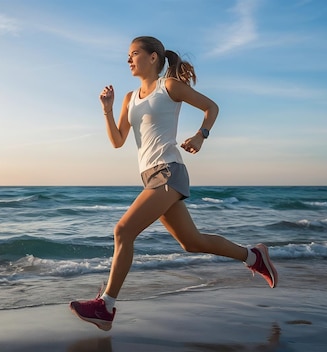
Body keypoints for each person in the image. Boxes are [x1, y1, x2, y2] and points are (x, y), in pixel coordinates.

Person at [69, 36, 278, 331]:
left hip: (169, 172)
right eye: (128, 56)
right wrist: (107, 108)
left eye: (134, 54)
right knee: (192, 242)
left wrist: (200, 135)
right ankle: (253, 255)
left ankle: (106, 306)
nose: (129, 60)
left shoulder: (169, 87)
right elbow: (117, 141)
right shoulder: (130, 98)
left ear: (153, 57)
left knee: (123, 231)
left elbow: (212, 107)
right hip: (150, 177)